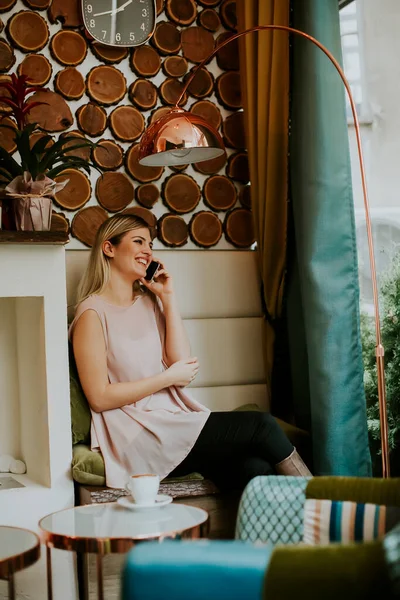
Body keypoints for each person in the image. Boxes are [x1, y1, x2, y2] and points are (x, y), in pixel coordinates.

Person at [70, 212, 311, 491]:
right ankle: (325, 507)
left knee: (255, 467)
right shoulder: (91, 313)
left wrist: (168, 299)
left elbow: (183, 369)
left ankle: (279, 532)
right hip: (138, 434)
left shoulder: (149, 304)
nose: (147, 251)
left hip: (173, 422)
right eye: (138, 242)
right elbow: (99, 397)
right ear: (109, 248)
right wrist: (167, 377)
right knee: (262, 425)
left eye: (149, 244)